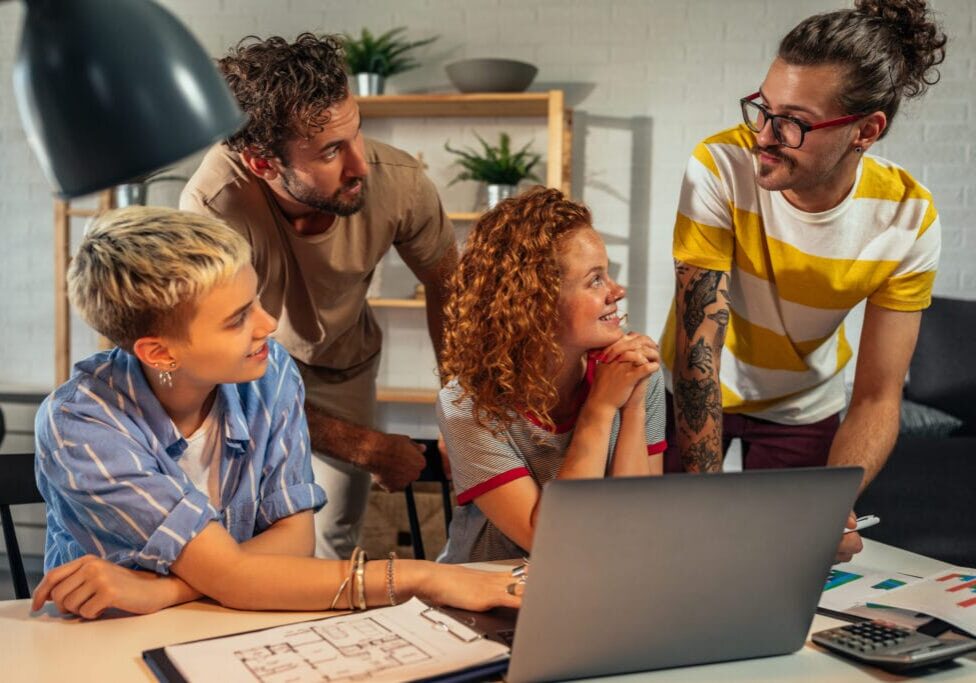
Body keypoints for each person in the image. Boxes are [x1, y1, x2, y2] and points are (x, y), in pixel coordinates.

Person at [30, 207, 519, 620]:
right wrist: (430, 577)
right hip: (102, 645)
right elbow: (237, 578)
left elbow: (294, 542)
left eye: (256, 300)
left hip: (226, 627)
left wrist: (165, 589)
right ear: (159, 353)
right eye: (237, 318)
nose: (267, 324)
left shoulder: (269, 372)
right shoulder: (82, 424)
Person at [659, 0, 947, 562]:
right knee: (677, 550)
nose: (764, 135)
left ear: (866, 130)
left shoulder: (907, 218)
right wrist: (701, 509)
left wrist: (829, 499)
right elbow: (700, 362)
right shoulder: (719, 165)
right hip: (692, 389)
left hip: (803, 405)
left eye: (793, 122)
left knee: (788, 562)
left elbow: (877, 394)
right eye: (761, 108)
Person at [180, 34, 458, 559]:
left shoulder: (399, 183)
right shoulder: (213, 206)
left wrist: (458, 410)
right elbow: (215, 363)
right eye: (332, 151)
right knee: (233, 528)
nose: (360, 165)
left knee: (330, 537)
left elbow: (449, 286)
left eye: (356, 134)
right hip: (243, 370)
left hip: (340, 363)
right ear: (263, 164)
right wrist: (368, 445)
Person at [436, 187, 666, 563]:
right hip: (483, 598)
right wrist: (601, 408)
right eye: (595, 280)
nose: (617, 292)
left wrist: (635, 403)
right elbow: (552, 542)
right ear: (536, 303)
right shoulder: (467, 403)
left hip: (595, 585)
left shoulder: (633, 372)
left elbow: (637, 526)